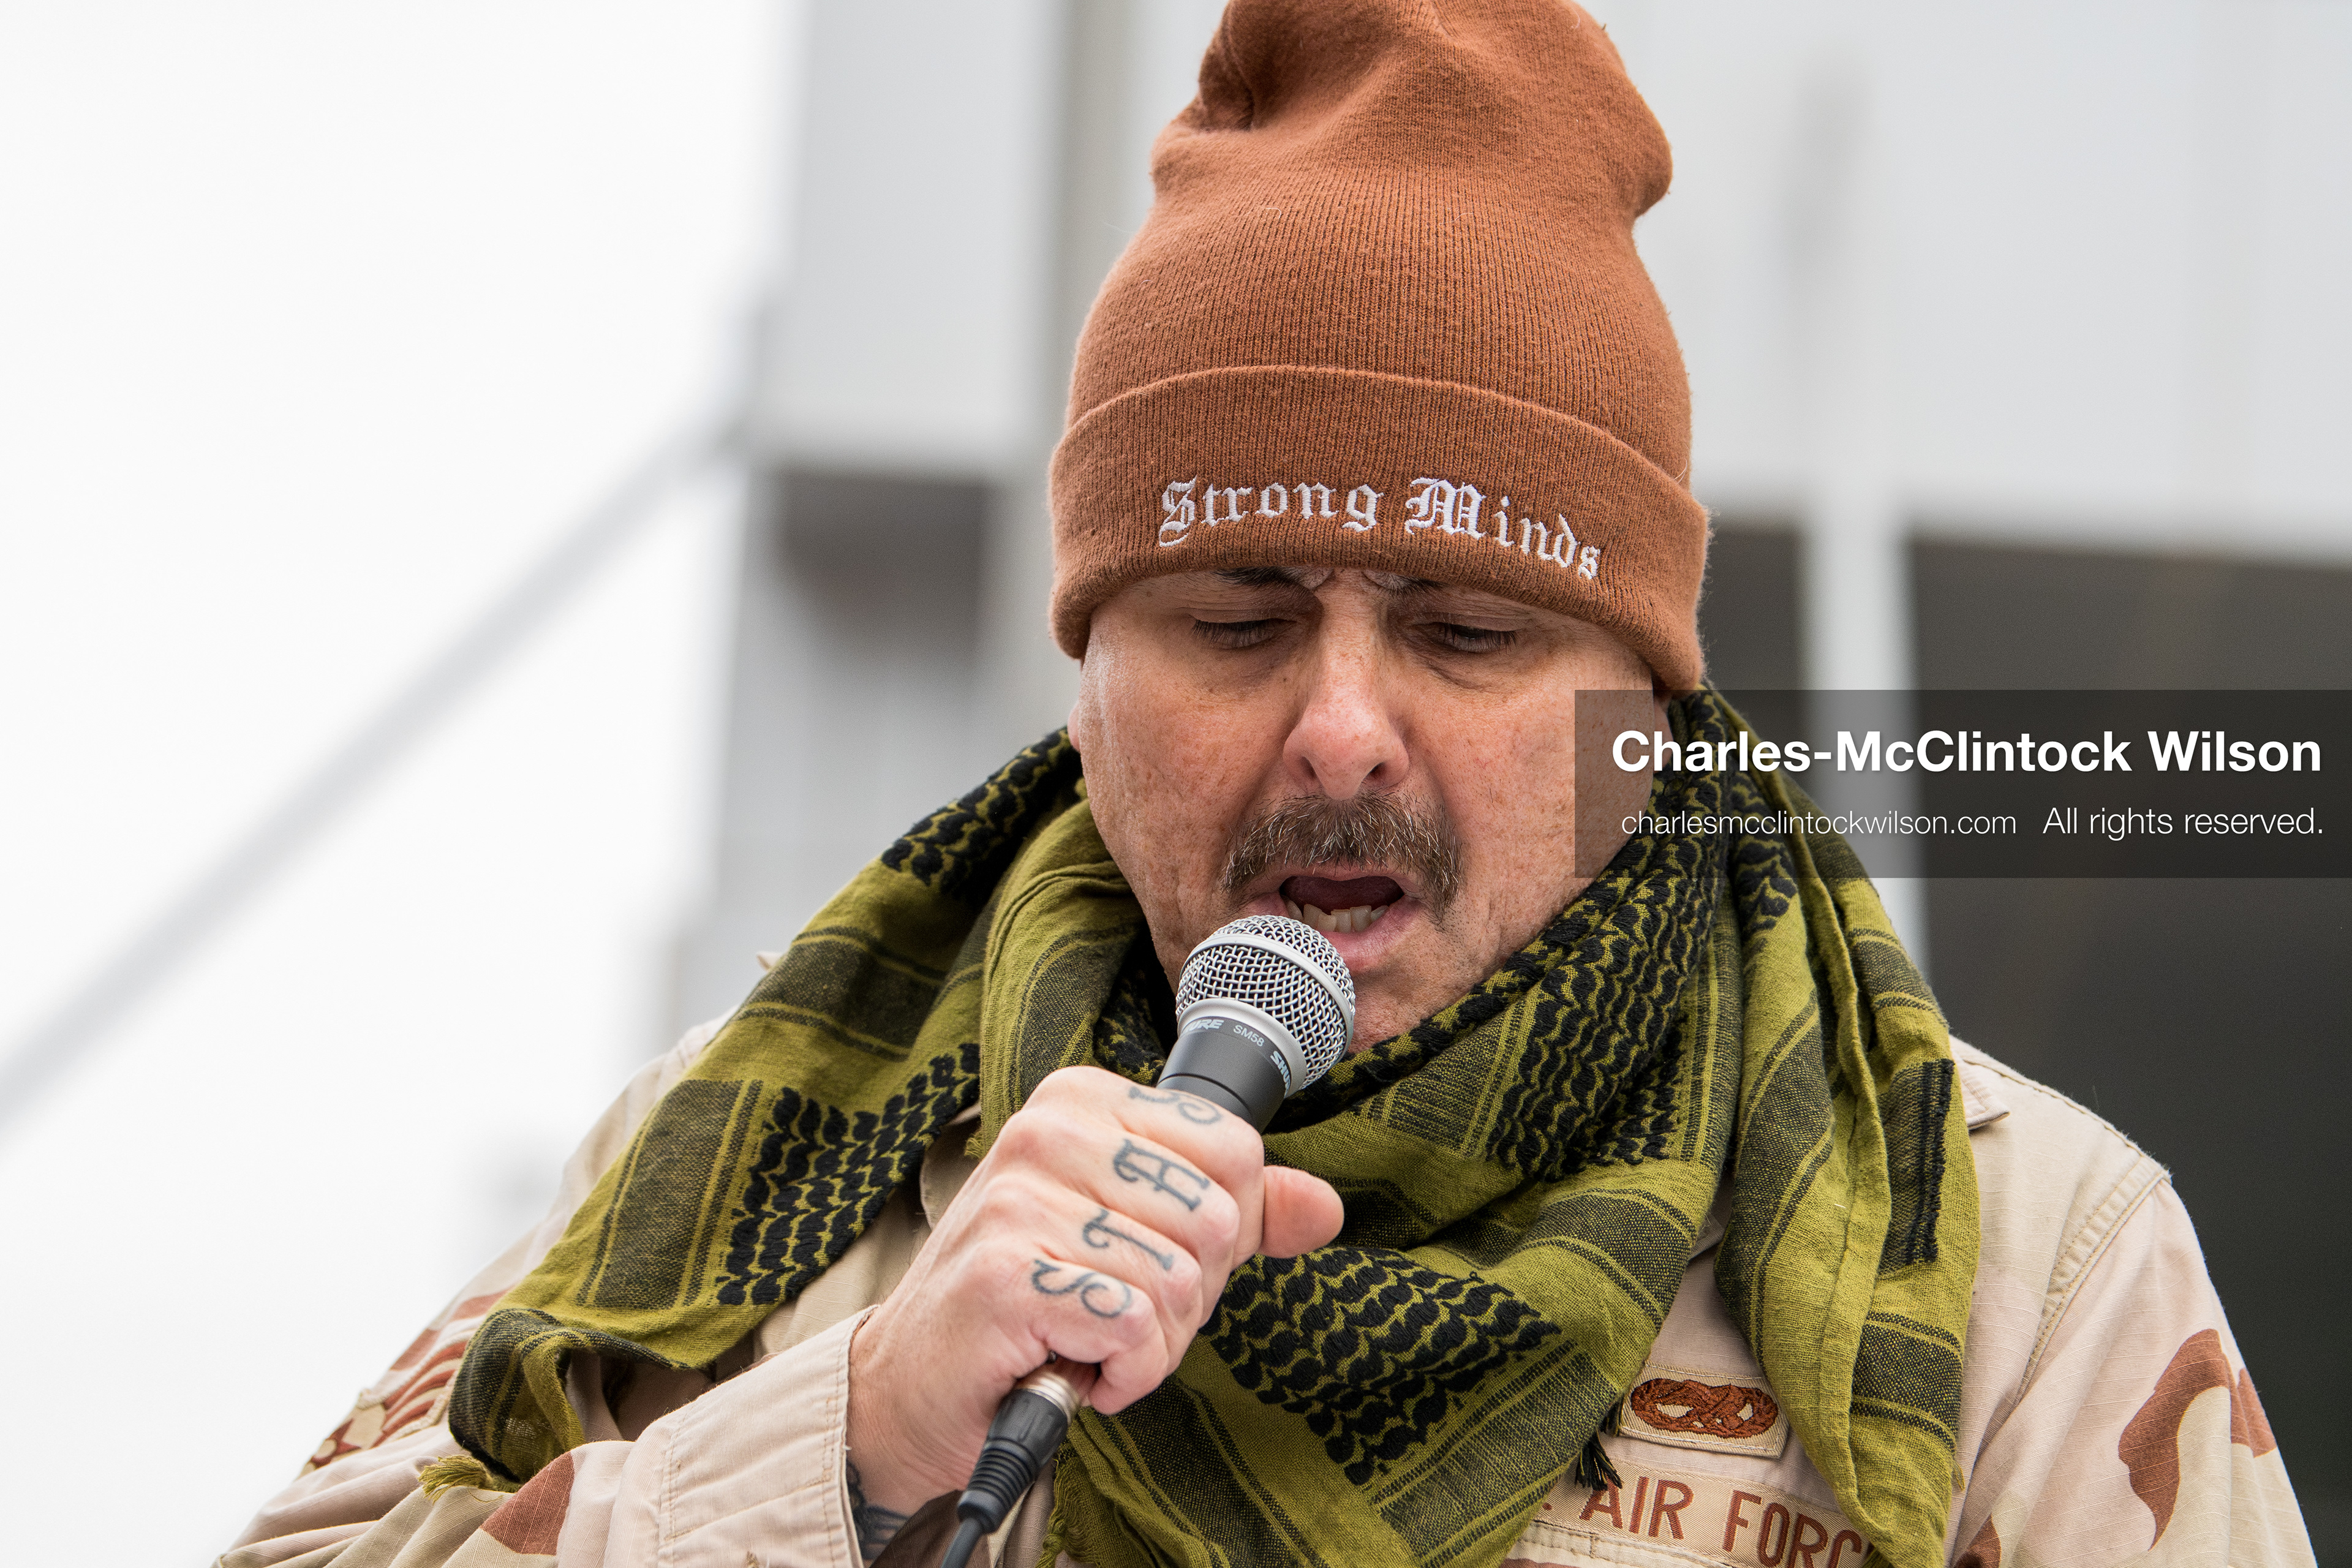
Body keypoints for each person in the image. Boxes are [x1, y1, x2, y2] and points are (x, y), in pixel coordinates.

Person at [220, 2, 2315, 1565]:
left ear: (1643, 713)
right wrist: (840, 1444)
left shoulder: (2023, 1247)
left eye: (1470, 632)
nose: (1338, 727)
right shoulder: (762, 1163)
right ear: (1084, 694)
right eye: (1232, 621)